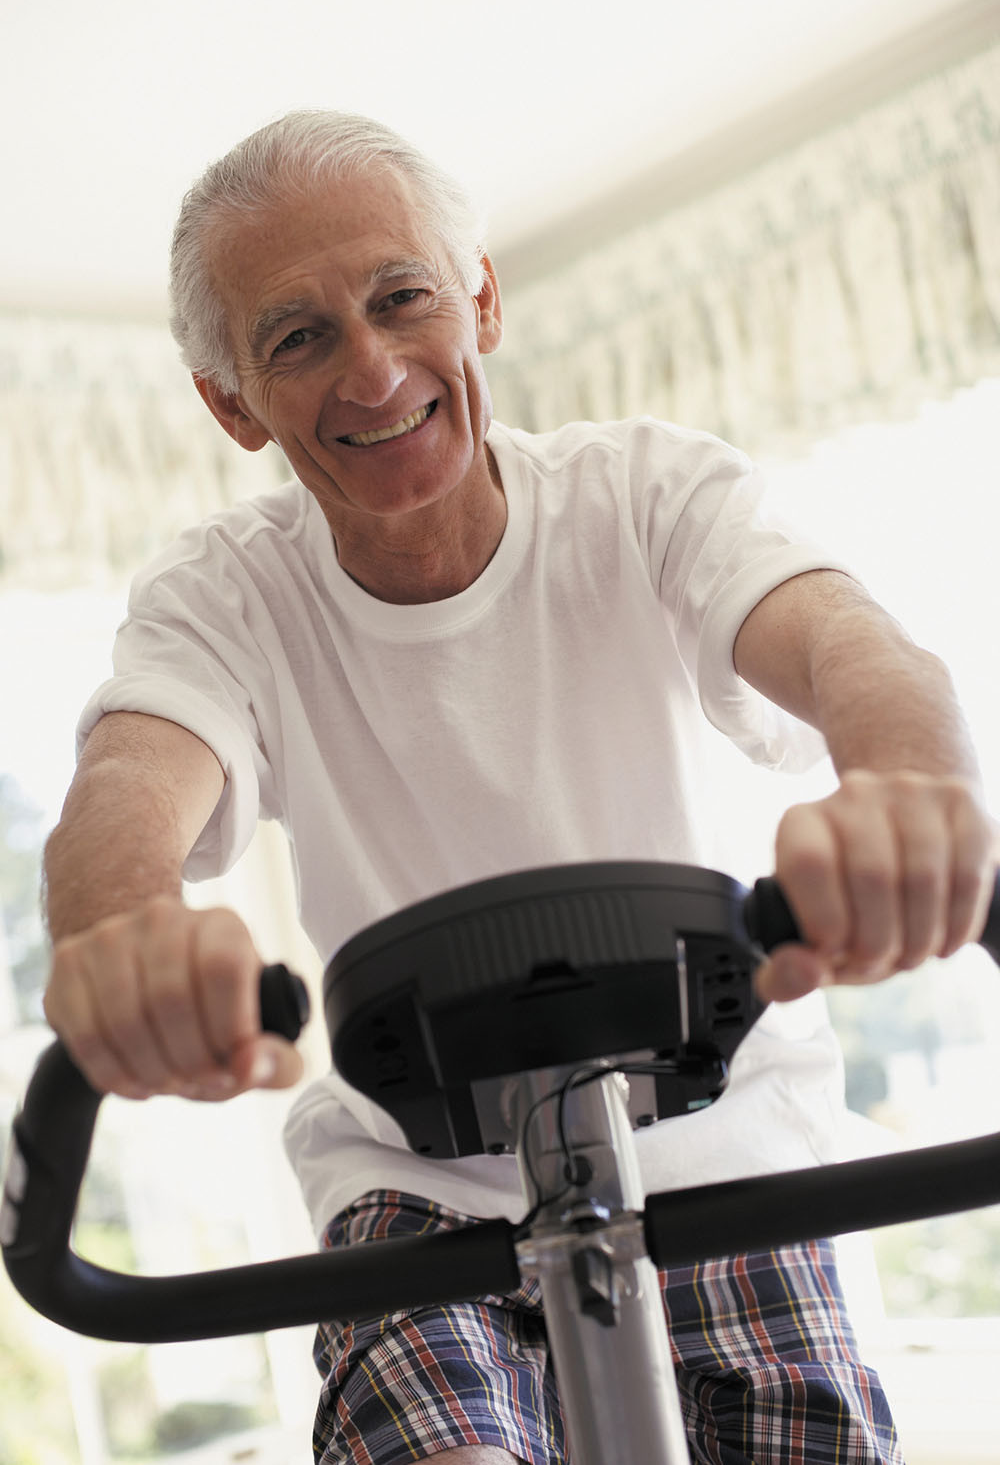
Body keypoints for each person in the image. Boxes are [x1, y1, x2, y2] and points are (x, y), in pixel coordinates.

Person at [41, 110, 995, 1465]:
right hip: (419, 1197)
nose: (371, 371)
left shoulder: (649, 495)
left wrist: (911, 789)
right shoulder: (226, 600)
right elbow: (125, 791)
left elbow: (851, 646)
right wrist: (121, 938)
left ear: (478, 297)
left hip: (731, 1155)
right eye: (299, 336)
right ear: (233, 400)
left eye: (400, 297)